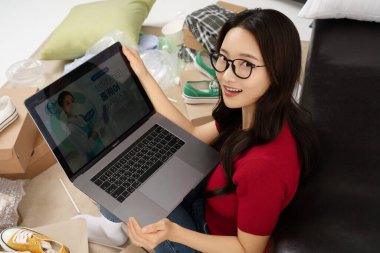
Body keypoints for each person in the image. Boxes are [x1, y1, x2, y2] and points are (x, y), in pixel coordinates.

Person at [76, 8, 318, 253]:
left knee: (115, 196)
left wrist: (175, 233)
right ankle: (115, 228)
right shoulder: (257, 112)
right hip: (213, 200)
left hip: (210, 239)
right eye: (223, 58)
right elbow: (190, 134)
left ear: (279, 69)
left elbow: (248, 250)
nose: (227, 75)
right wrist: (143, 74)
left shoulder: (262, 167)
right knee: (119, 177)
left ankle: (114, 229)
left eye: (246, 64)